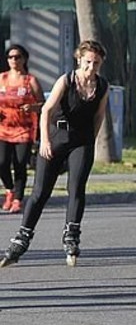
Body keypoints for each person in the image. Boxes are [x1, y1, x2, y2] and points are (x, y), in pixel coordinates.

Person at [0, 40, 109, 268]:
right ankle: (22, 237)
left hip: (81, 140)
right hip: (56, 136)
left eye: (96, 63)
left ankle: (71, 235)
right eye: (88, 62)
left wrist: (92, 139)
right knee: (40, 191)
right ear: (79, 59)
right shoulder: (67, 80)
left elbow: (99, 115)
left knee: (77, 188)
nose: (91, 68)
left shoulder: (102, 86)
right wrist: (45, 141)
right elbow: (46, 110)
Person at [0, 45, 43, 214]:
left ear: (24, 59)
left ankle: (18, 199)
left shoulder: (30, 81)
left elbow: (43, 105)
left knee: (19, 164)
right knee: (2, 162)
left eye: (17, 57)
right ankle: (9, 190)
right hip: (3, 128)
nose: (13, 60)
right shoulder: (2, 79)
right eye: (10, 57)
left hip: (24, 129)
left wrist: (33, 107)